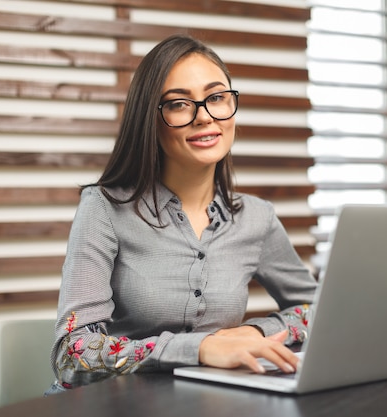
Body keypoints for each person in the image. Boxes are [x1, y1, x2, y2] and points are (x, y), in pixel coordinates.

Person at [48, 34, 317, 391]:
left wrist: (252, 333)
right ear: (151, 119)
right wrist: (201, 347)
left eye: (217, 97)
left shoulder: (257, 218)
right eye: (178, 104)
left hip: (209, 400)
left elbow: (318, 309)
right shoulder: (103, 208)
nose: (204, 117)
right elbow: (73, 353)